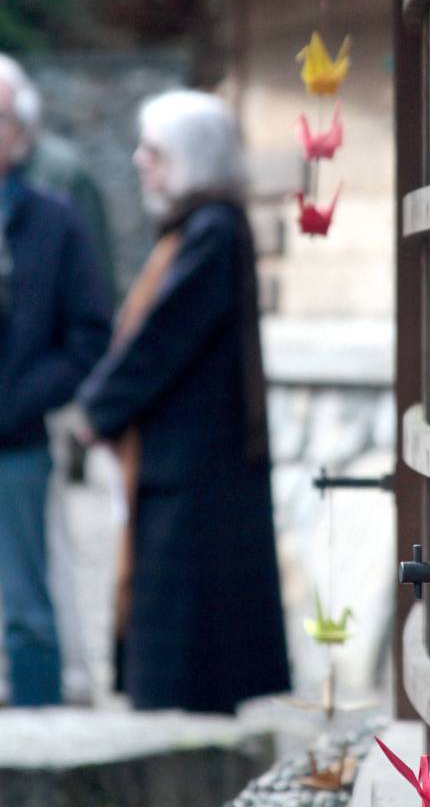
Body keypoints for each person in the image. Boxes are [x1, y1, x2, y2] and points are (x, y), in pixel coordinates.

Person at [78, 90, 290, 713]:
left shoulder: (213, 232)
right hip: (188, 464)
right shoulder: (202, 229)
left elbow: (160, 339)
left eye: (156, 151)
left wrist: (97, 410)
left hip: (195, 469)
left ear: (191, 158)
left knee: (186, 649)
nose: (141, 160)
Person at [0, 57, 111, 706]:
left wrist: (20, 396)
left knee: (28, 612)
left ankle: (43, 760)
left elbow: (89, 336)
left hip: (16, 441)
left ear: (22, 133)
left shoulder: (54, 219)